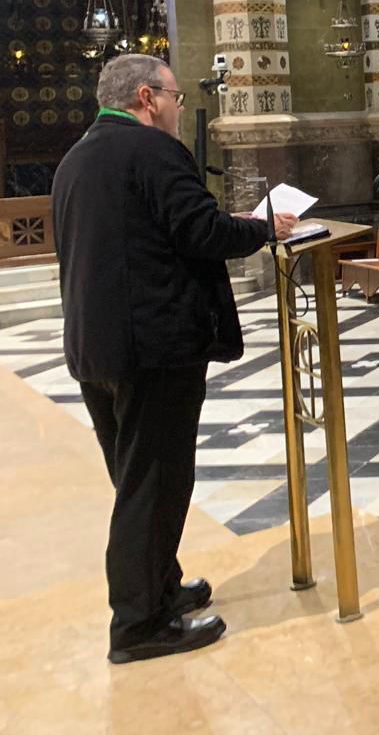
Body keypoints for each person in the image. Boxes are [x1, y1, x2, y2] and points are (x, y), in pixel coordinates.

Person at [52, 54, 298, 663]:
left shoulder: (75, 160)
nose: (180, 107)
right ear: (147, 97)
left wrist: (225, 221)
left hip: (97, 347)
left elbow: (150, 232)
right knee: (155, 483)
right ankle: (138, 627)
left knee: (137, 479)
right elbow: (201, 233)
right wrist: (263, 227)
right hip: (154, 347)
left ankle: (159, 590)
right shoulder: (154, 152)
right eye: (177, 97)